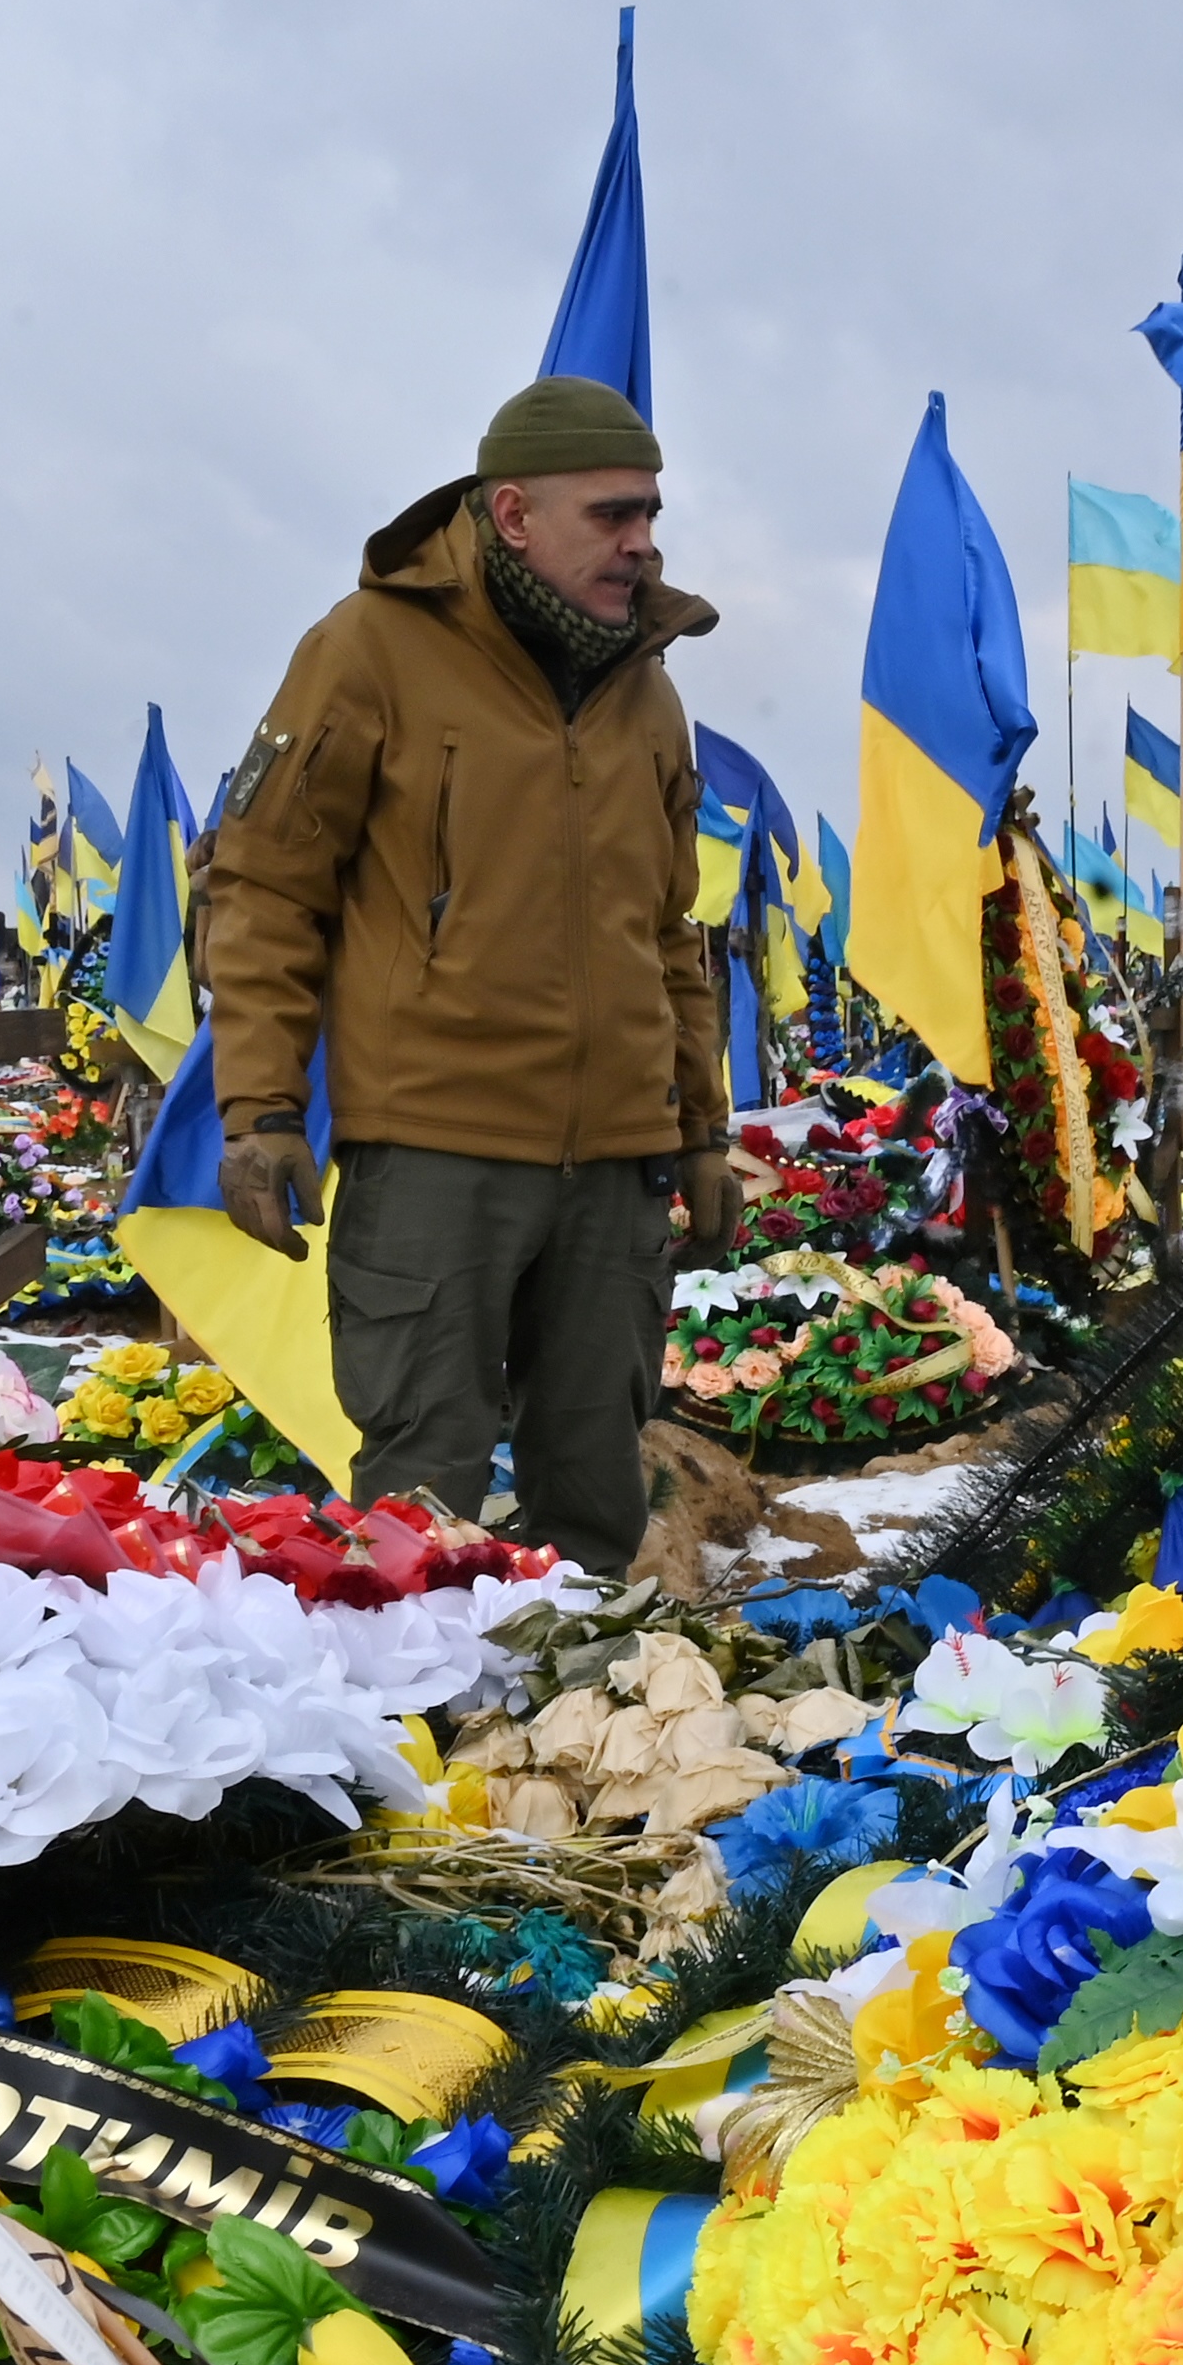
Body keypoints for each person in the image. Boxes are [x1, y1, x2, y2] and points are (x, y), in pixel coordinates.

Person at [196, 375, 738, 1565]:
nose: (642, 541)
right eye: (610, 514)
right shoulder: (366, 651)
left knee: (597, 1486)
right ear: (511, 516)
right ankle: (409, 1737)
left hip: (612, 1163)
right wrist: (262, 1109)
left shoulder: (648, 692)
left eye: (650, 513)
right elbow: (264, 888)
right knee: (418, 1497)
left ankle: (582, 1729)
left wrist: (702, 1127)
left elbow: (668, 934)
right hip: (435, 1151)